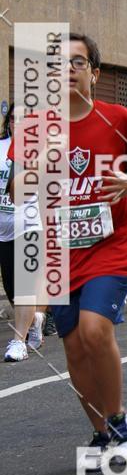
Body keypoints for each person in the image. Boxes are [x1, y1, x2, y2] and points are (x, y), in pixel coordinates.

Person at [9, 35, 127, 471]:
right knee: (71, 348)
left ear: (95, 73)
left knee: (93, 330)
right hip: (59, 250)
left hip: (112, 243)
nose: (68, 70)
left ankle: (122, 425)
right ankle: (101, 432)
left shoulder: (118, 117)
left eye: (78, 62)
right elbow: (15, 191)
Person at [1, 103, 44, 362]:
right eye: (14, 119)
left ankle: (19, 342)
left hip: (30, 223)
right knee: (12, 288)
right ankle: (35, 318)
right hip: (4, 228)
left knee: (26, 284)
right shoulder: (1, 148)